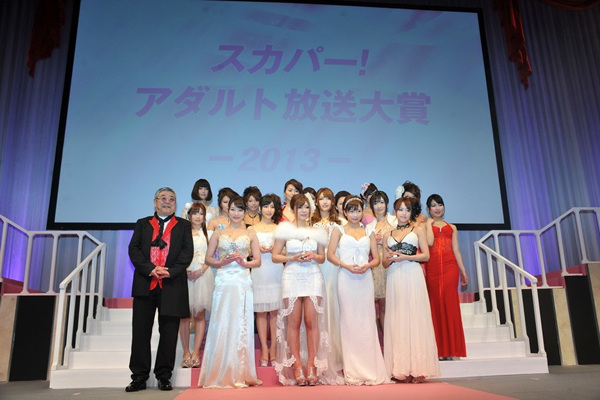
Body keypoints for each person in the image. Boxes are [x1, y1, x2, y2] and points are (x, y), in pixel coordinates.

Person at [272, 194, 343, 386]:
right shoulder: (284, 230)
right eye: (300, 207)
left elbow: (322, 257)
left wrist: (314, 256)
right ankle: (297, 365)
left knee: (312, 321)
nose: (303, 211)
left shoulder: (318, 232)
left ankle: (311, 364)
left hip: (313, 276)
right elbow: (275, 256)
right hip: (292, 276)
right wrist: (292, 258)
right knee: (293, 322)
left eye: (306, 207)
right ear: (293, 209)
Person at [126, 187, 193, 392]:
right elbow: (134, 250)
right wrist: (150, 269)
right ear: (155, 202)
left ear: (175, 204)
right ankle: (139, 377)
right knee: (140, 332)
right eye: (163, 198)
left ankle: (164, 376)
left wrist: (170, 272)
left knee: (169, 333)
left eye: (172, 199)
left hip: (172, 285)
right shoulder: (142, 223)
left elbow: (187, 253)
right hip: (145, 284)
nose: (167, 201)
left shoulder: (183, 225)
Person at [198, 196, 262, 388]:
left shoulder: (250, 233)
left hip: (242, 280)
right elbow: (208, 259)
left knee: (241, 323)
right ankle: (218, 370)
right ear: (227, 210)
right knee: (221, 321)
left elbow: (257, 261)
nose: (236, 213)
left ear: (245, 212)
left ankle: (240, 371)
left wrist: (244, 262)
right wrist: (221, 262)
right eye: (233, 209)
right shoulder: (218, 233)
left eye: (240, 210)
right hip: (224, 279)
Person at [327, 196, 389, 385]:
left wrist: (368, 265)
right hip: (346, 279)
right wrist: (344, 265)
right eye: (351, 211)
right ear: (345, 212)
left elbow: (376, 258)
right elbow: (330, 255)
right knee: (349, 321)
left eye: (358, 210)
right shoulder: (338, 230)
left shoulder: (369, 231)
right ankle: (353, 369)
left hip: (364, 279)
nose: (355, 214)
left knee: (366, 321)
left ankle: (369, 367)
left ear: (362, 212)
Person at [382, 196, 440, 383]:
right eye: (400, 209)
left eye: (407, 210)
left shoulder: (418, 230)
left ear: (411, 212)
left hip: (412, 275)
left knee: (415, 318)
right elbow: (383, 263)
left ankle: (418, 369)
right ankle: (401, 368)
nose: (404, 213)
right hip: (395, 278)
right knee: (398, 319)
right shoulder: (387, 234)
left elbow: (426, 256)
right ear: (395, 212)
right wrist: (391, 257)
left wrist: (406, 257)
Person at [425, 194, 468, 360]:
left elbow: (456, 249)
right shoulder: (425, 226)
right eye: (433, 206)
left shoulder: (452, 227)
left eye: (440, 204)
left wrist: (463, 270)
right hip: (433, 268)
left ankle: (453, 350)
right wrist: (428, 224)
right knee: (436, 306)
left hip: (450, 268)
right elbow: (429, 243)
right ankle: (439, 350)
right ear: (428, 209)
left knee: (450, 305)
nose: (437, 208)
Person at [311, 187, 343, 373]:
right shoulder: (310, 223)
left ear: (333, 202)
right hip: (315, 269)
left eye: (328, 198)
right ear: (316, 201)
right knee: (316, 309)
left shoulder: (340, 223)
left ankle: (335, 358)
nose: (324, 202)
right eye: (321, 198)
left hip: (335, 269)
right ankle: (316, 357)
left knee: (334, 308)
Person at [248, 194, 283, 366]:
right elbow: (246, 250)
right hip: (259, 271)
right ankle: (263, 348)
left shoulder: (280, 229)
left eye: (272, 207)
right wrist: (257, 249)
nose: (269, 210)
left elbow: (286, 252)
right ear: (260, 208)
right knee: (261, 312)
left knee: (275, 312)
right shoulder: (252, 229)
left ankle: (274, 348)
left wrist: (275, 250)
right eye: (266, 206)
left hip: (276, 271)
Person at [178, 203, 214, 369]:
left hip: (202, 275)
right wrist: (184, 270)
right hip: (184, 276)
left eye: (201, 213)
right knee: (184, 316)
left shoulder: (209, 234)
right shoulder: (181, 233)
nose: (198, 217)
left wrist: (201, 270)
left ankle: (196, 353)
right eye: (195, 213)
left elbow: (211, 256)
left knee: (200, 315)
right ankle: (186, 352)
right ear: (189, 215)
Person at [364, 190, 396, 334]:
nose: (379, 206)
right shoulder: (369, 227)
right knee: (383, 306)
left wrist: (385, 241)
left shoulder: (395, 221)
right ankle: (388, 338)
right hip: (378, 268)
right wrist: (373, 242)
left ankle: (399, 336)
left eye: (382, 202)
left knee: (397, 303)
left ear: (387, 204)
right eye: (376, 203)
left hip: (394, 264)